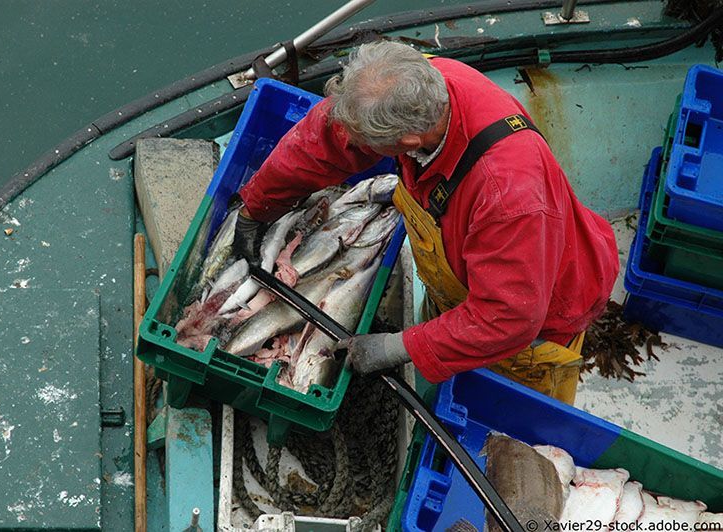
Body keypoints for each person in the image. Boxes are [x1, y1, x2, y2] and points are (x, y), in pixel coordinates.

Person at [232, 41, 618, 404]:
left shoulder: (508, 195)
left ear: (409, 143)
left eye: (367, 142)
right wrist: (258, 206)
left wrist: (397, 347)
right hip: (464, 281)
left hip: (533, 322)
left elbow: (507, 318)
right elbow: (330, 138)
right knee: (445, 360)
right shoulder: (418, 78)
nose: (355, 144)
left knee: (501, 418)